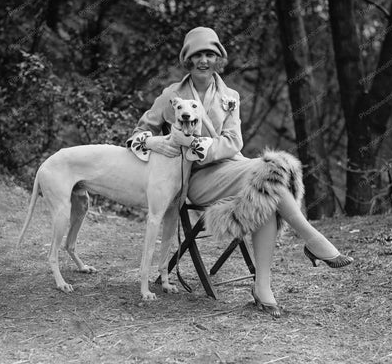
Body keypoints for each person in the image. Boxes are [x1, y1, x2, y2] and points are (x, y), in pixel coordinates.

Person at [127, 27, 353, 317]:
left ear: (219, 58)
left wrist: (203, 144)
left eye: (210, 54)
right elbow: (139, 132)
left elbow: (234, 142)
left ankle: (263, 286)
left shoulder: (229, 96)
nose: (203, 61)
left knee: (267, 190)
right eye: (197, 55)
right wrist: (157, 141)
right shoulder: (172, 94)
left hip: (231, 167)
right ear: (187, 59)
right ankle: (310, 238)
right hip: (194, 177)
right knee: (268, 173)